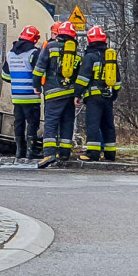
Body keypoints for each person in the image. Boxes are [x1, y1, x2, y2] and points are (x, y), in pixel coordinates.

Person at [33, 21, 81, 168]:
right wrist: (78, 94)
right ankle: (65, 154)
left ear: (59, 33)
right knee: (67, 122)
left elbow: (39, 69)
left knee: (51, 123)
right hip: (71, 93)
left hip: (53, 93)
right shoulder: (77, 51)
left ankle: (49, 154)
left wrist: (37, 86)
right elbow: (80, 75)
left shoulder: (50, 47)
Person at [75, 26, 121, 162]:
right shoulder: (110, 57)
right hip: (108, 96)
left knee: (93, 124)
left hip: (94, 98)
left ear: (90, 40)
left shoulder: (90, 57)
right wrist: (114, 94)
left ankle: (93, 153)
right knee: (108, 125)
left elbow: (83, 78)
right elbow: (117, 80)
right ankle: (110, 153)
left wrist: (77, 94)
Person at [1, 25, 42, 159]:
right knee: (32, 123)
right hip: (31, 95)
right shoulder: (34, 53)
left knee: (19, 122)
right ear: (34, 39)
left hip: (16, 96)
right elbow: (39, 73)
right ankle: (31, 151)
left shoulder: (10, 54)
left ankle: (20, 151)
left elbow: (5, 76)